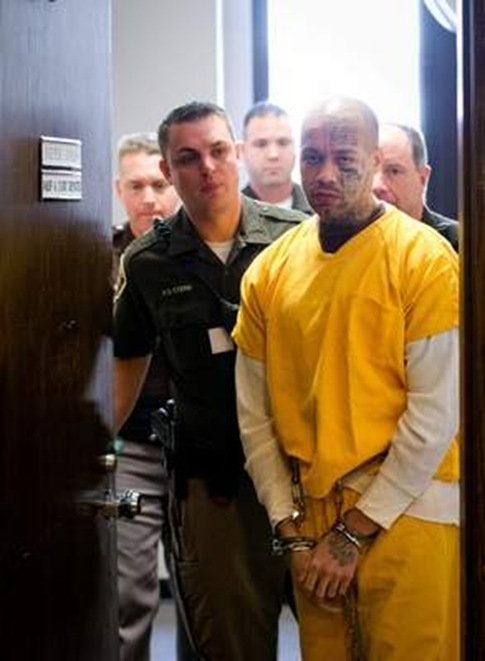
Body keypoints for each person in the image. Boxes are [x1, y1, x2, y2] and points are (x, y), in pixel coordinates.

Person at [233, 97, 459, 660]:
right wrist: (290, 529)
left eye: (344, 157)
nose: (325, 174)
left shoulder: (424, 259)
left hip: (409, 512)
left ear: (376, 158)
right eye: (312, 158)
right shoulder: (271, 270)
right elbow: (254, 416)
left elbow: (436, 413)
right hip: (311, 523)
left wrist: (356, 528)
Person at [113, 101, 306, 660]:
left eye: (219, 151)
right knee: (229, 643)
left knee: (336, 637)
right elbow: (127, 361)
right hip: (215, 481)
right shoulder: (149, 262)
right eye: (189, 158)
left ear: (238, 155)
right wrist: (93, 451)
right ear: (171, 171)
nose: (208, 168)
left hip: (305, 473)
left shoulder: (297, 240)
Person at [113, 132, 183, 661]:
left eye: (158, 184)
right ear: (119, 191)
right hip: (131, 445)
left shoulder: (196, 251)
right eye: (136, 186)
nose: (149, 198)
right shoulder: (93, 259)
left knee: (202, 600)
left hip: (196, 450)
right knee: (127, 598)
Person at [372, 122, 459, 250]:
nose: (376, 186)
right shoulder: (347, 242)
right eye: (370, 171)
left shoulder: (462, 243)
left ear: (423, 179)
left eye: (394, 171)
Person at [241, 101, 313, 214]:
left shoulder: (319, 211)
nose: (273, 154)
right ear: (242, 151)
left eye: (283, 143)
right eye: (261, 144)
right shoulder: (227, 216)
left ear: (296, 148)